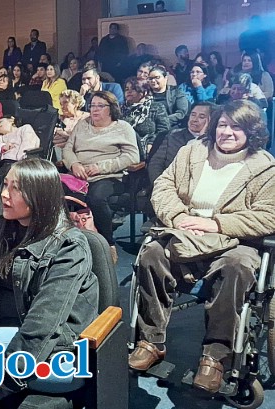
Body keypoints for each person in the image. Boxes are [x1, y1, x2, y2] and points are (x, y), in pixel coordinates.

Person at [129, 100, 275, 394]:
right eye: (222, 124)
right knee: (152, 253)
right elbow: (164, 186)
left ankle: (215, 357)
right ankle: (151, 340)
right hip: (183, 231)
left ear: (252, 131)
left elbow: (269, 215)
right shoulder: (192, 151)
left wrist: (218, 224)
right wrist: (178, 215)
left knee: (238, 266)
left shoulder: (264, 168)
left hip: (234, 241)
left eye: (237, 127)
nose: (227, 132)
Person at [0, 158, 99, 398]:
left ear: (39, 195)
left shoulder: (69, 246)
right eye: (5, 185)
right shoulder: (5, 227)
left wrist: (10, 370)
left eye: (15, 188)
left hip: (53, 354)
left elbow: (46, 321)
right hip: (6, 336)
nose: (4, 195)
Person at [62, 91, 140, 261]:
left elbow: (132, 157)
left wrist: (100, 167)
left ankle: (108, 243)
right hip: (77, 175)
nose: (95, 110)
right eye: (92, 105)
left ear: (111, 109)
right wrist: (74, 164)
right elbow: (68, 149)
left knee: (96, 198)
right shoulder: (82, 124)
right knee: (51, 190)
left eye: (100, 106)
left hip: (108, 176)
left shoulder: (122, 127)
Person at [147, 102, 215, 186]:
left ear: (211, 120)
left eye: (201, 117)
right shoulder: (173, 135)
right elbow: (156, 163)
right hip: (167, 185)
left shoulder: (214, 143)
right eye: (193, 115)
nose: (194, 119)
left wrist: (203, 137)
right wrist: (161, 186)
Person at [122, 77, 170, 155]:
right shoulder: (121, 109)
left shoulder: (156, 107)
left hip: (148, 148)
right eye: (127, 89)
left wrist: (152, 143)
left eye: (134, 89)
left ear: (145, 91)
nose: (129, 91)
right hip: (123, 147)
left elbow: (164, 130)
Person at [52, 90, 90, 154]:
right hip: (56, 149)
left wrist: (62, 133)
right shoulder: (58, 118)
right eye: (61, 104)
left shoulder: (87, 117)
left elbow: (82, 139)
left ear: (75, 103)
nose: (62, 106)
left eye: (65, 102)